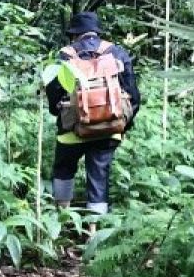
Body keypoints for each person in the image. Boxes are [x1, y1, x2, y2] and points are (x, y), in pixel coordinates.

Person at [44, 11, 140, 215]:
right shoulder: (117, 53)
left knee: (64, 170)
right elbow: (133, 96)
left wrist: (60, 116)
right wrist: (122, 126)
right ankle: (93, 232)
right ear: (96, 32)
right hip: (109, 128)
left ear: (74, 34)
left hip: (72, 129)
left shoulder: (65, 55)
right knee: (99, 177)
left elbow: (54, 96)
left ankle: (62, 218)